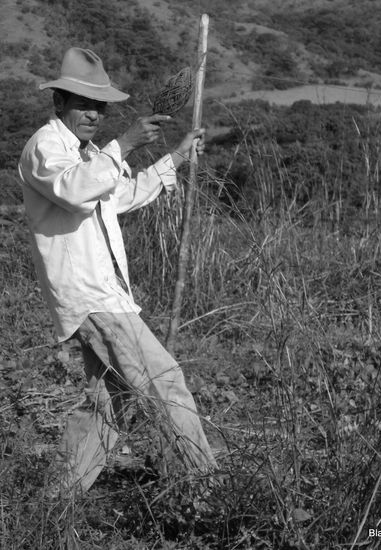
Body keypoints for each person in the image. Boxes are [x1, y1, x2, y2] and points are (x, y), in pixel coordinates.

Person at [18, 47, 217, 495]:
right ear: (59, 104)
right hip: (91, 295)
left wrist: (176, 159)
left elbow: (119, 196)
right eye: (82, 104)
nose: (93, 114)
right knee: (166, 383)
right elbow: (74, 190)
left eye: (99, 106)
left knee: (110, 398)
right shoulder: (46, 147)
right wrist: (124, 144)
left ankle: (59, 498)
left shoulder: (89, 153)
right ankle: (208, 489)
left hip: (105, 292)